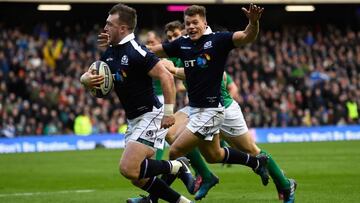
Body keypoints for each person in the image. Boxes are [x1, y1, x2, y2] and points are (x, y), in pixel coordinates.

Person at [148, 3, 271, 200]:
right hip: (196, 110)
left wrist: (253, 22)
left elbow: (246, 36)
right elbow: (154, 50)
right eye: (188, 23)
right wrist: (126, 49)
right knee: (214, 156)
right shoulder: (183, 44)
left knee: (175, 151)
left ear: (205, 23)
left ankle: (154, 198)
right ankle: (256, 163)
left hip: (212, 110)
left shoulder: (218, 40)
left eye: (195, 22)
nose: (191, 26)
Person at [80, 3, 194, 203]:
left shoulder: (136, 52)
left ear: (122, 28)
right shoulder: (110, 52)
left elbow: (166, 77)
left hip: (151, 114)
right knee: (138, 178)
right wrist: (85, 80)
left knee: (128, 168)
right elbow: (98, 82)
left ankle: (177, 166)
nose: (105, 28)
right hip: (134, 119)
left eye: (109, 24)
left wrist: (169, 112)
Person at [165, 61, 297, 202]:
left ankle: (284, 183)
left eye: (175, 36)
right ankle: (205, 175)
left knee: (251, 150)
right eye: (170, 36)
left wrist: (174, 70)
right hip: (199, 110)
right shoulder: (177, 50)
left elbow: (223, 77)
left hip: (223, 108)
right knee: (208, 154)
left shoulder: (200, 49)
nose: (172, 38)